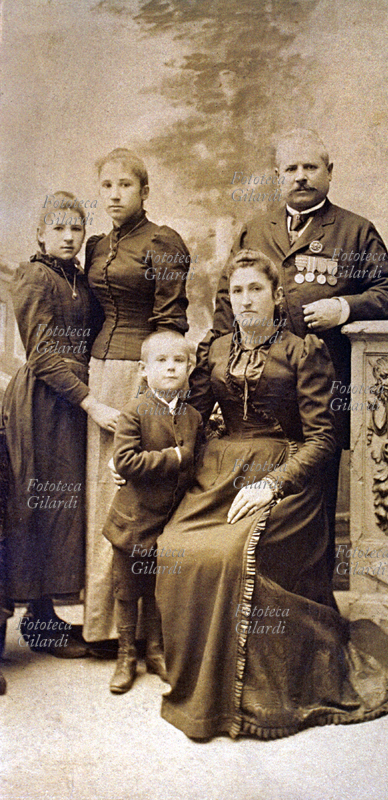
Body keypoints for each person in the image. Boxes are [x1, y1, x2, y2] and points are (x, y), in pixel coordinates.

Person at [155, 249, 388, 741]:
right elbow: (188, 416)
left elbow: (323, 438)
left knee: (233, 554)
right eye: (237, 291)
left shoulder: (305, 351)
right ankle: (200, 675)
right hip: (219, 474)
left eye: (256, 289)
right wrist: (153, 445)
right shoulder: (214, 351)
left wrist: (272, 484)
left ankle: (239, 695)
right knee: (176, 547)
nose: (245, 299)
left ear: (277, 296)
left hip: (286, 476)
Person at [198, 128, 388, 574]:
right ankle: (254, 599)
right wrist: (218, 362)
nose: (301, 177)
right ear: (278, 176)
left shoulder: (355, 231)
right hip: (258, 386)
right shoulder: (256, 230)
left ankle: (314, 599)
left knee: (315, 489)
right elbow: (225, 305)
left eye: (310, 167)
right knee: (250, 497)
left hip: (321, 387)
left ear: (329, 172)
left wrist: (345, 306)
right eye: (291, 169)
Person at [83, 148, 190, 644]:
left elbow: (170, 323)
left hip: (138, 375)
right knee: (102, 493)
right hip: (99, 375)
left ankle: (147, 632)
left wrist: (154, 389)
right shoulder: (95, 246)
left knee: (135, 495)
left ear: (144, 192)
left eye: (125, 185)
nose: (114, 194)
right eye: (107, 185)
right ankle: (104, 625)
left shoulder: (163, 241)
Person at [1, 192, 115, 658]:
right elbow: (43, 354)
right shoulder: (33, 276)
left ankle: (45, 620)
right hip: (40, 405)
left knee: (65, 511)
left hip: (69, 406)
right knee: (35, 508)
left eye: (76, 229)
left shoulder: (79, 280)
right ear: (41, 234)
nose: (69, 237)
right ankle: (33, 621)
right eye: (60, 229)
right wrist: (90, 401)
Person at [102, 331, 202, 693]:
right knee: (127, 591)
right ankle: (126, 655)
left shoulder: (192, 417)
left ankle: (156, 651)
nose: (171, 368)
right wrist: (173, 457)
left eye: (179, 361)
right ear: (144, 370)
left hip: (168, 524)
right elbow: (125, 461)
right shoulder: (134, 411)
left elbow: (197, 465)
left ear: (190, 367)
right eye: (162, 361)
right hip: (132, 523)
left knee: (160, 590)